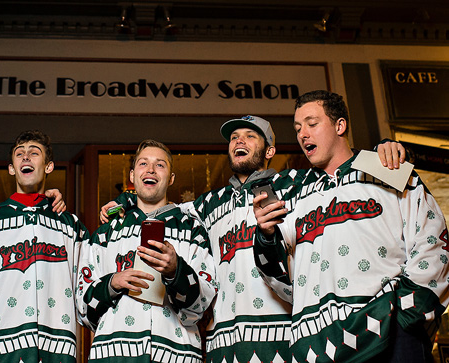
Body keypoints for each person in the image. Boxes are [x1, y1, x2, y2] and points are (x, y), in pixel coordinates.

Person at [100, 116, 406, 362]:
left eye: (250, 136)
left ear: (269, 151)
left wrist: (384, 152)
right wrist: (124, 204)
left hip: (284, 338)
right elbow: (158, 204)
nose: (239, 141)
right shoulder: (210, 203)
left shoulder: (297, 185)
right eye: (234, 137)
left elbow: (338, 169)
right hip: (225, 345)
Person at [253, 90, 449, 362]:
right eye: (298, 128)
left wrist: (406, 313)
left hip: (391, 334)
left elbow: (433, 239)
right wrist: (265, 234)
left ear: (340, 125)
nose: (303, 134)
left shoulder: (385, 168)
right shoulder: (293, 192)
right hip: (320, 347)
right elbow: (276, 275)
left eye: (312, 123)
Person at [76, 139, 217, 363]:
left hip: (176, 355)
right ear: (132, 176)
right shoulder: (105, 233)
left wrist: (176, 271)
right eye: (143, 164)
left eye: (160, 165)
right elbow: (83, 308)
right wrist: (112, 283)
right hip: (114, 356)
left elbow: (200, 306)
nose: (150, 169)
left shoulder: (193, 231)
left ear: (171, 179)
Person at [0, 130, 87, 363]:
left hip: (54, 351)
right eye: (19, 154)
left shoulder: (70, 226)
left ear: (49, 167)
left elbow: (87, 294)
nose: (26, 157)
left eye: (34, 153)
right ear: (11, 168)